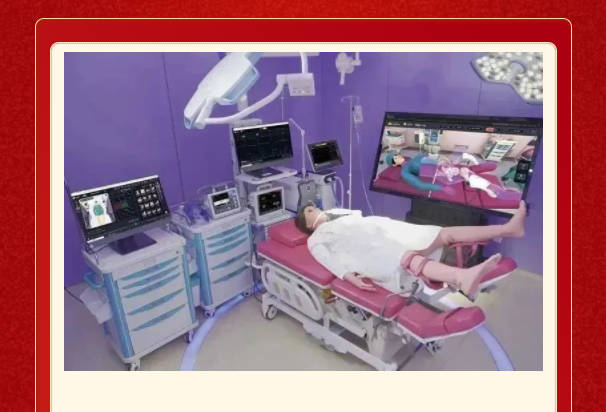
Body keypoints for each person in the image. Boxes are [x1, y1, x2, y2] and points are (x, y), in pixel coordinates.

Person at [294, 202, 527, 300]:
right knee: (406, 257)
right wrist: (348, 276)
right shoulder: (315, 239)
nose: (315, 208)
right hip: (368, 251)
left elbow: (356, 214)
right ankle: (461, 277)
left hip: (385, 230)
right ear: (307, 224)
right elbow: (326, 259)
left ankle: (507, 229)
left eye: (313, 206)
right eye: (309, 211)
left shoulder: (337, 215)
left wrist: (332, 213)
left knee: (443, 234)